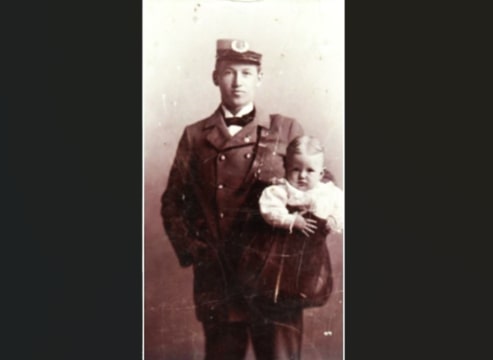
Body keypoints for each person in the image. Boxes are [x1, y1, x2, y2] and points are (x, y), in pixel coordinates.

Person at [160, 39, 304, 359]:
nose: (238, 82)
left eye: (247, 73)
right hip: (220, 278)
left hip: (275, 279)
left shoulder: (286, 129)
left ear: (259, 78)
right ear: (215, 77)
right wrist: (196, 251)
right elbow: (172, 201)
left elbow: (319, 187)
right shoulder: (195, 135)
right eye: (229, 72)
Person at [259, 135, 344, 237]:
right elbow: (270, 211)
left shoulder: (328, 192)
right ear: (286, 168)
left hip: (315, 248)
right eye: (296, 169)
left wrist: (334, 219)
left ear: (321, 174)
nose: (302, 176)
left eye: (310, 170)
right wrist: (291, 220)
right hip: (285, 244)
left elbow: (342, 207)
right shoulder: (280, 191)